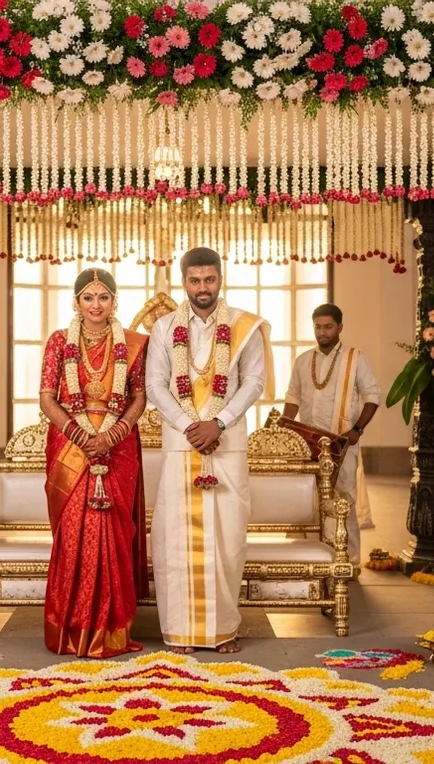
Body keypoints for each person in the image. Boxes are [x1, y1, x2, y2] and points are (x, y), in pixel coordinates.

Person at [145, 248, 270, 654]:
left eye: (209, 280)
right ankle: (180, 632)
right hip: (182, 447)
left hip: (227, 445)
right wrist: (188, 426)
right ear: (184, 282)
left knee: (227, 540)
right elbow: (154, 386)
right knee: (174, 541)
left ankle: (223, 631)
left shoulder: (242, 326)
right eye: (195, 281)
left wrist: (218, 422)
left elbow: (254, 382)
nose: (203, 288)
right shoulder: (164, 328)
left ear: (220, 279)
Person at [39, 269, 151, 658]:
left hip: (118, 449)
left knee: (114, 533)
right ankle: (71, 626)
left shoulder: (133, 345)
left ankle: (112, 629)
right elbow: (46, 397)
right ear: (76, 302)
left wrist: (115, 433)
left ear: (114, 301)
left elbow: (139, 396)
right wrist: (80, 434)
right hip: (72, 444)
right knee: (74, 537)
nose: (96, 305)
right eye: (89, 297)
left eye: (104, 297)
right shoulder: (58, 342)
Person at [283, 304, 381, 565]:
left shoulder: (355, 357)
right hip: (308, 444)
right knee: (308, 500)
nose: (322, 332)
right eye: (318, 326)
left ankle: (347, 561)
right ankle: (310, 558)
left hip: (342, 444)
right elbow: (293, 396)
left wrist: (357, 430)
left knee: (343, 500)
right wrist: (284, 429)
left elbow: (372, 396)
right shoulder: (303, 360)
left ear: (340, 327)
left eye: (328, 326)